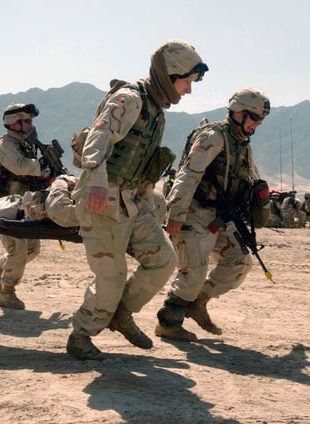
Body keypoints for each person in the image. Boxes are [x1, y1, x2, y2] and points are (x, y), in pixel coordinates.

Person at [66, 39, 208, 360]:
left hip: (132, 200)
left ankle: (120, 313)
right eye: (187, 81)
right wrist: (99, 185)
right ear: (170, 75)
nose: (188, 90)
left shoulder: (156, 111)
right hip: (101, 198)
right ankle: (82, 335)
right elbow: (99, 138)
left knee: (164, 260)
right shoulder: (129, 99)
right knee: (111, 277)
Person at [156, 88, 270, 341]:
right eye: (254, 117)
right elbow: (189, 174)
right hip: (193, 212)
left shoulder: (241, 144)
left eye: (261, 119)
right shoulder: (214, 136)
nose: (257, 124)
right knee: (193, 271)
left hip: (220, 217)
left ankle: (198, 302)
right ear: (238, 113)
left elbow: (251, 178)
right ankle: (169, 322)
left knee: (239, 261)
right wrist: (175, 212)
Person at [0, 103, 52, 310]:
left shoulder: (26, 145)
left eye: (31, 121)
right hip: (2, 204)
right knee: (18, 249)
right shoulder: (5, 144)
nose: (30, 125)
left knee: (32, 249)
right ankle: (7, 293)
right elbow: (19, 166)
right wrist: (42, 168)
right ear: (14, 123)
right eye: (26, 121)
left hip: (23, 204)